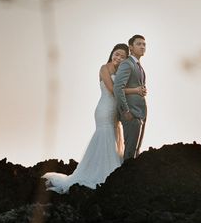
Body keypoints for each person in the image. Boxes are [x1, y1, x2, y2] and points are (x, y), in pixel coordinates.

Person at [43, 43, 147, 193]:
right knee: (104, 136)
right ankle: (104, 174)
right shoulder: (104, 68)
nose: (118, 58)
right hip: (104, 109)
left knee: (112, 138)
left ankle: (107, 171)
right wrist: (136, 90)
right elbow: (113, 90)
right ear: (112, 53)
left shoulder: (122, 70)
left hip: (115, 111)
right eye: (116, 54)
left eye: (122, 57)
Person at [114, 34, 147, 160]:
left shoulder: (139, 66)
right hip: (130, 114)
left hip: (140, 114)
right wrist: (125, 111)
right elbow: (118, 88)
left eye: (144, 44)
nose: (142, 47)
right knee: (129, 153)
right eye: (139, 44)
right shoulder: (127, 64)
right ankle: (125, 176)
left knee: (135, 151)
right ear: (131, 47)